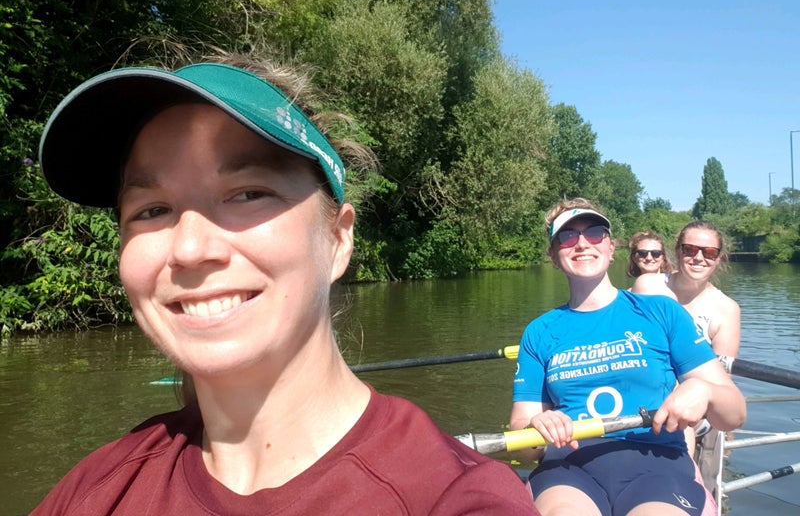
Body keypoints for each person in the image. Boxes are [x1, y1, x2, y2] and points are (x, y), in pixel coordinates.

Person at [32, 54, 537, 514]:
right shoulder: (95, 491)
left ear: (338, 239)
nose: (189, 248)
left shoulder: (456, 500)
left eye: (247, 193)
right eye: (152, 210)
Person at [510, 198, 745, 516]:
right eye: (567, 236)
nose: (582, 243)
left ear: (611, 248)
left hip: (657, 463)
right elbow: (524, 439)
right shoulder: (539, 331)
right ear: (553, 254)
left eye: (595, 233)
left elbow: (734, 414)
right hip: (568, 468)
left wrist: (705, 392)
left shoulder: (662, 312)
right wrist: (536, 426)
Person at [631, 221, 741, 359]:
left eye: (710, 252)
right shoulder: (646, 286)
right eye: (690, 250)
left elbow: (721, 371)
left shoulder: (728, 309)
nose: (699, 258)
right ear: (678, 252)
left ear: (718, 258)